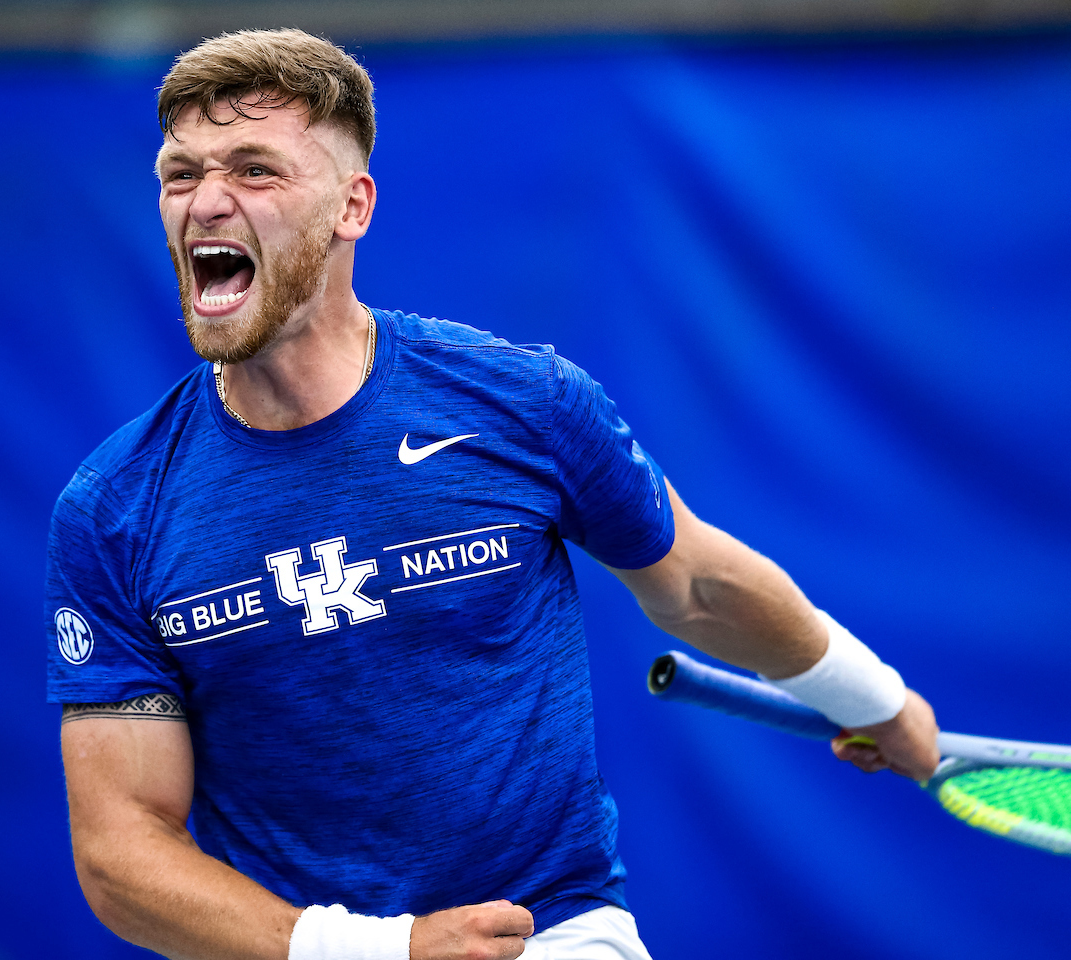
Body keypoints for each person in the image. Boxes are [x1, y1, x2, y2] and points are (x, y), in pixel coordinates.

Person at [46, 27, 939, 960]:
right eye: (180, 174)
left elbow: (700, 583)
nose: (206, 202)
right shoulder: (112, 509)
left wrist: (878, 700)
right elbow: (123, 847)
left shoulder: (522, 399)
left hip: (550, 935)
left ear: (352, 207)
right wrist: (377, 951)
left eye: (254, 170)